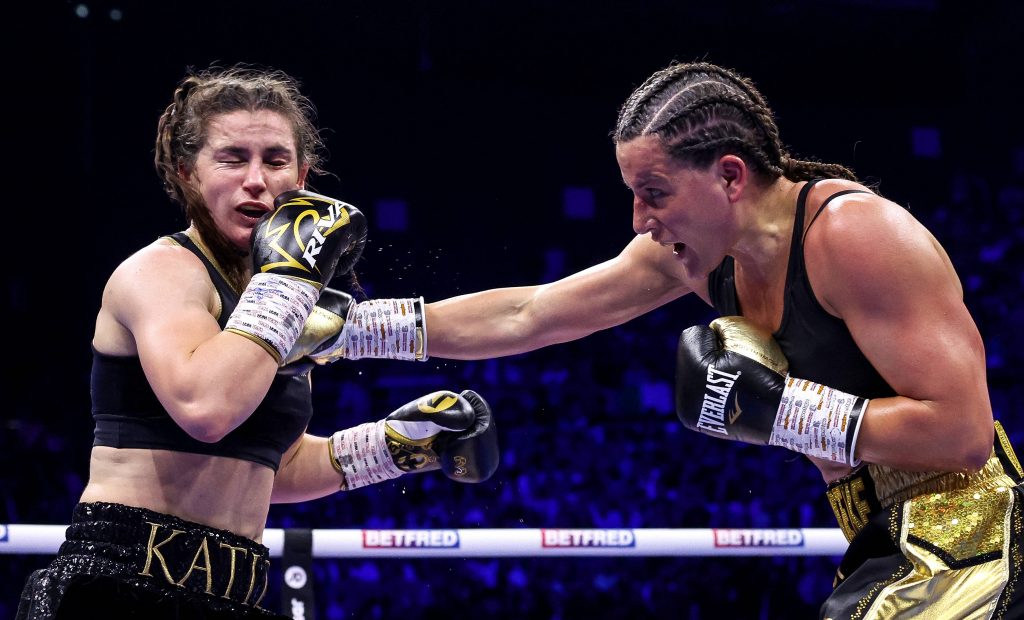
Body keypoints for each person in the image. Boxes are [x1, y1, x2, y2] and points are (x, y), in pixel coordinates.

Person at [412, 61, 1022, 618]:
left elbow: (963, 434)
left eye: (654, 193)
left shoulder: (854, 236)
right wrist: (356, 330)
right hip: (882, 540)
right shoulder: (699, 258)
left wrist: (784, 414)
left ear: (729, 176)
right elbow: (529, 313)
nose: (639, 219)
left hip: (971, 539)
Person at [17, 64, 499, 619]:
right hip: (122, 583)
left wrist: (392, 446)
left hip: (235, 589)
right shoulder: (162, 273)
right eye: (231, 158)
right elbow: (208, 409)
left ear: (303, 177)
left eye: (274, 160)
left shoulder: (271, 304)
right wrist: (290, 280)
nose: (256, 180)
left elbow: (269, 466)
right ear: (187, 173)